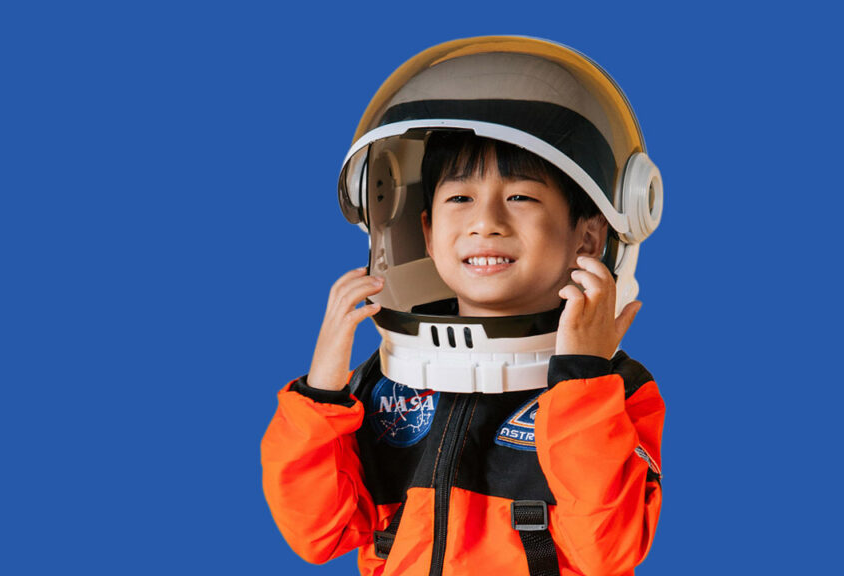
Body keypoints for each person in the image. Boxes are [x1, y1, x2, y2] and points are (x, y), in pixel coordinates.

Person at [262, 37, 665, 576]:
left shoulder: (612, 392)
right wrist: (321, 394)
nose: (486, 222)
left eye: (521, 197)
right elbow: (318, 532)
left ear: (588, 237)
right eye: (459, 198)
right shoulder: (383, 384)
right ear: (426, 233)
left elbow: (606, 550)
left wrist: (581, 380)